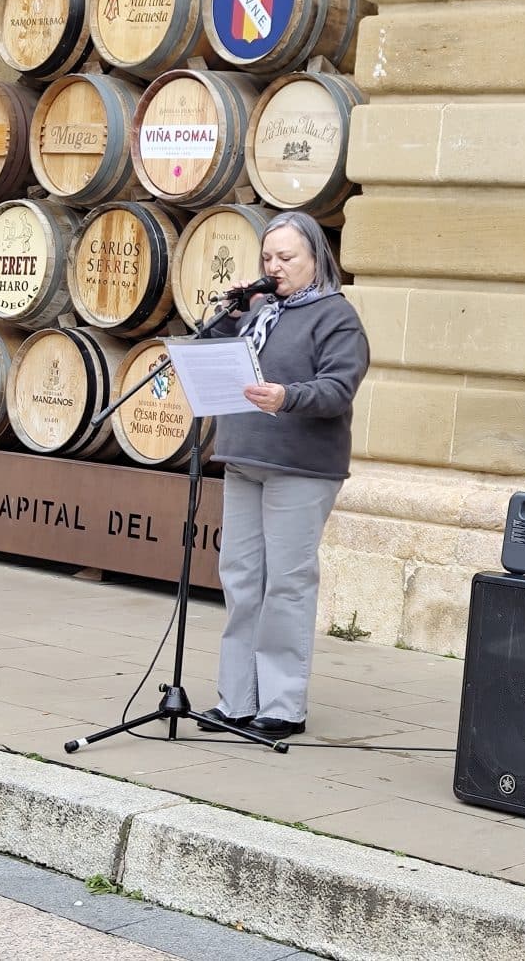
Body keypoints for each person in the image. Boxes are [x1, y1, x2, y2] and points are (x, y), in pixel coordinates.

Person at [198, 211, 370, 741]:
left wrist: (288, 396)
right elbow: (218, 359)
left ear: (316, 257)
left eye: (287, 258)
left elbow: (339, 388)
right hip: (245, 456)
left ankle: (282, 705)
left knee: (287, 584)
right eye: (267, 258)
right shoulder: (258, 313)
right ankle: (236, 700)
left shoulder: (335, 317)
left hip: (300, 466)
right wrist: (229, 316)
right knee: (242, 580)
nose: (274, 268)